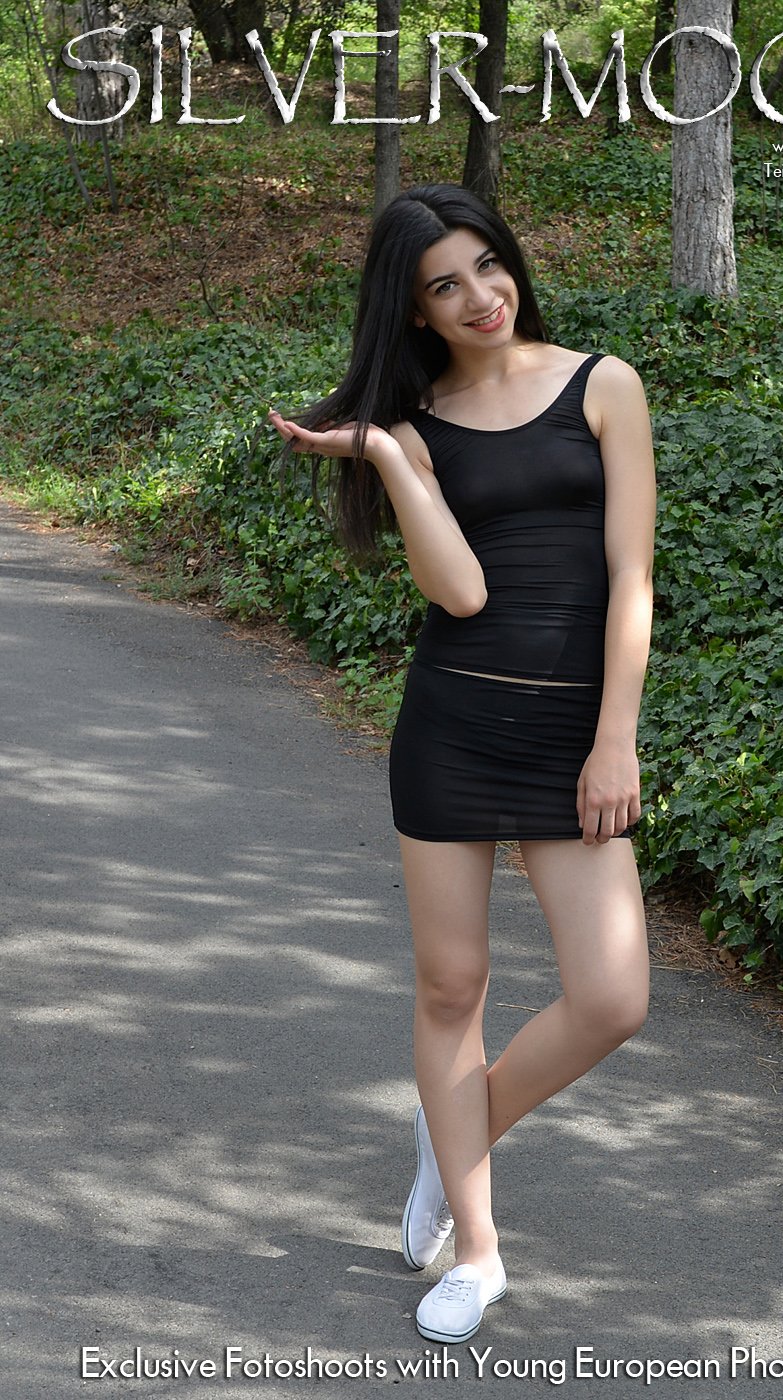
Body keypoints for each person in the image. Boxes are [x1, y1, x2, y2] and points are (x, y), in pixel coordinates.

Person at [268, 184, 655, 1344]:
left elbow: (631, 576)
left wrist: (615, 736)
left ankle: (454, 1134)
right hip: (453, 727)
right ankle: (478, 1251)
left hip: (574, 738)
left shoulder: (603, 385)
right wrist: (390, 452)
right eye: (445, 284)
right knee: (452, 987)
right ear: (415, 309)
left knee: (612, 997)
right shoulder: (419, 425)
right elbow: (463, 591)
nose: (481, 296)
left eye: (488, 265)